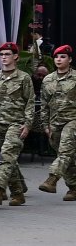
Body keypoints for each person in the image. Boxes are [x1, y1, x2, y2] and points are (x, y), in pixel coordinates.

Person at [0, 41, 34, 206]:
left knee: (7, 156)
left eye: (7, 54)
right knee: (8, 158)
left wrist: (28, 124)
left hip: (17, 123)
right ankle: (18, 193)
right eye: (2, 55)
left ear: (16, 57)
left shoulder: (23, 78)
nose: (4, 57)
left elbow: (30, 102)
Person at [40, 46, 76, 196]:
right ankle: (74, 187)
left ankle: (52, 179)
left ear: (70, 60)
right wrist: (45, 124)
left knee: (65, 151)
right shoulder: (48, 79)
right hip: (54, 123)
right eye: (57, 57)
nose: (59, 59)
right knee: (67, 156)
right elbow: (44, 103)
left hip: (73, 120)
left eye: (63, 57)